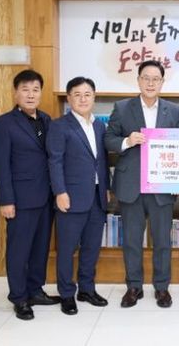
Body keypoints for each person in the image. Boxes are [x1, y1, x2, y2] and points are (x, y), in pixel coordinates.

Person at [104, 60, 179, 308]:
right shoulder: (122, 108)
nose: (150, 83)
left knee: (162, 241)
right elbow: (108, 139)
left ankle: (162, 288)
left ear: (162, 82)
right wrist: (127, 141)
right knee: (131, 240)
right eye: (146, 78)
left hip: (162, 185)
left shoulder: (174, 111)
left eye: (155, 79)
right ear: (138, 80)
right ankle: (134, 287)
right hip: (131, 185)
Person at [0, 70, 60, 321]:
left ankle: (35, 290)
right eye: (25, 89)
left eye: (35, 90)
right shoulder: (4, 123)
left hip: (46, 197)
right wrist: (6, 200)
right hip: (20, 199)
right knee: (19, 250)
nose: (31, 95)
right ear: (16, 93)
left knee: (40, 248)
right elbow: (1, 165)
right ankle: (19, 297)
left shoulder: (46, 119)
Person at [47, 77, 111, 315]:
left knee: (91, 247)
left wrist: (105, 187)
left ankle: (86, 289)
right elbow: (55, 161)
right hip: (71, 197)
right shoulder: (59, 126)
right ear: (69, 98)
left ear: (94, 97)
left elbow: (102, 160)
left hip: (97, 196)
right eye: (77, 94)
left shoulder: (99, 126)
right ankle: (66, 294)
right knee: (66, 249)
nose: (83, 99)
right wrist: (60, 192)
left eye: (87, 94)